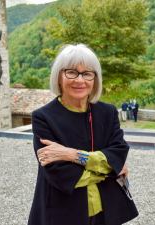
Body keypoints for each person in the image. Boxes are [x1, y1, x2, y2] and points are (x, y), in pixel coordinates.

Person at [28, 44, 138, 225]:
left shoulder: (107, 112)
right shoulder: (43, 117)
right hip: (62, 213)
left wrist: (70, 154)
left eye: (87, 73)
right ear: (59, 77)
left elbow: (119, 151)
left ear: (95, 79)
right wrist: (110, 169)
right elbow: (60, 174)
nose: (80, 80)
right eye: (71, 72)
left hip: (105, 212)